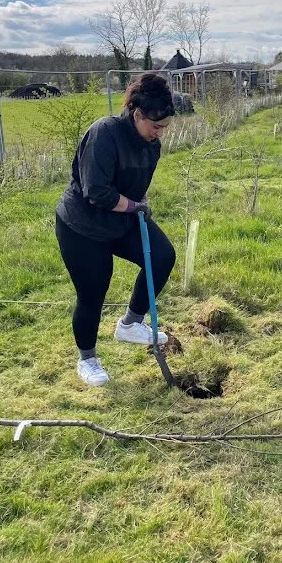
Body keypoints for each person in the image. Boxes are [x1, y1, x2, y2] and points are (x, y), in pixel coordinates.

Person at [56, 72, 176, 386]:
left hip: (122, 219)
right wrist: (135, 206)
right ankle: (88, 359)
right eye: (155, 125)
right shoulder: (104, 133)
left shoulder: (151, 145)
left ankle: (129, 325)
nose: (159, 133)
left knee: (162, 256)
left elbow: (139, 185)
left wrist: (140, 203)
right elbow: (96, 192)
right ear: (137, 114)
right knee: (93, 292)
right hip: (82, 225)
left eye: (165, 127)